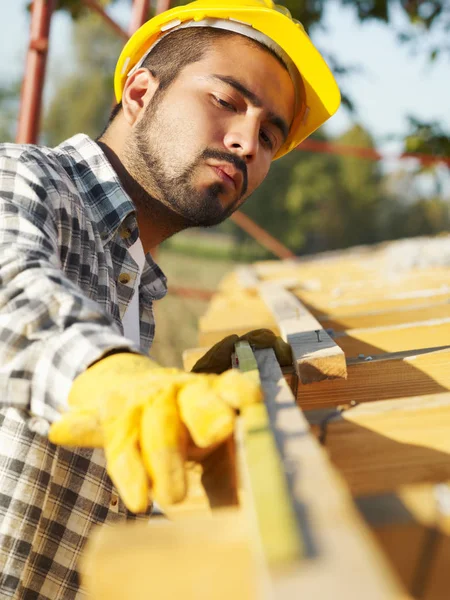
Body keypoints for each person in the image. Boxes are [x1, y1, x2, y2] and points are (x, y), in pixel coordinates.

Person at [0, 0, 340, 597]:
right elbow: (13, 286)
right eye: (226, 102)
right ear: (139, 93)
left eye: (268, 134)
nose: (245, 143)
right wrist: (107, 372)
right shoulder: (24, 180)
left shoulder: (136, 296)